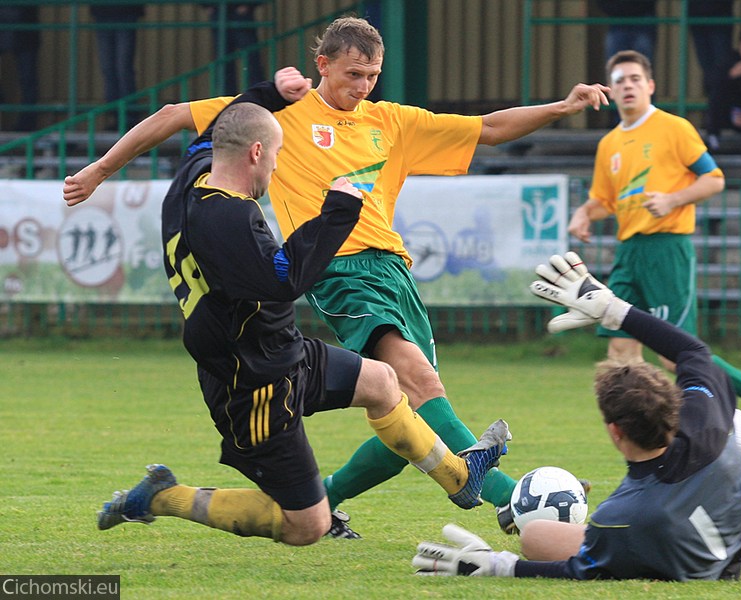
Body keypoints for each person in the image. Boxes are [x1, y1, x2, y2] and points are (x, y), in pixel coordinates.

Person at [62, 16, 612, 538]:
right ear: (322, 64)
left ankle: (328, 498)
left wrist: (563, 106)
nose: (364, 86)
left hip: (394, 270)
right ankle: (514, 501)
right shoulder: (281, 114)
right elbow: (173, 114)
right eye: (354, 74)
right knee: (421, 386)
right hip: (339, 272)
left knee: (409, 410)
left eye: (372, 76)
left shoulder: (390, 121)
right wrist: (98, 170)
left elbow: (489, 127)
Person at [89, 68, 510, 547]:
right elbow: (286, 279)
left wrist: (270, 93)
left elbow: (224, 123)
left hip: (281, 348)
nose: (276, 168)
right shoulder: (229, 218)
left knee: (384, 382)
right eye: (276, 156)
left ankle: (461, 478)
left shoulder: (194, 173)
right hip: (253, 382)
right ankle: (165, 497)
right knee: (305, 526)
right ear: (256, 153)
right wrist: (337, 212)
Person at [413, 252, 741, 580]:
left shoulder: (621, 516)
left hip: (680, 554)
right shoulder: (705, 416)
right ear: (672, 405)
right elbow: (693, 350)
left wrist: (500, 565)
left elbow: (582, 567)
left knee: (535, 534)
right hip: (732, 532)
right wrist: (613, 308)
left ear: (615, 432)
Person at [567, 50, 741, 431]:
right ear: (611, 92)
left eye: (635, 79)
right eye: (620, 80)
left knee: (673, 357)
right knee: (620, 349)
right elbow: (605, 201)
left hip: (667, 248)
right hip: (629, 253)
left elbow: (714, 178)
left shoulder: (673, 128)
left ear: (650, 86)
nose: (628, 86)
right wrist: (585, 212)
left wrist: (672, 199)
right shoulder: (609, 144)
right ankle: (638, 438)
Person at [90, 4, 146, 129]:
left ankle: (129, 117)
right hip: (103, 13)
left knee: (123, 68)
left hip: (125, 12)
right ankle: (116, 115)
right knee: (108, 68)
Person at [204, 1, 266, 95]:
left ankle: (257, 93)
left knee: (250, 57)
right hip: (219, 11)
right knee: (223, 59)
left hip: (242, 14)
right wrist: (207, 5)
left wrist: (248, 5)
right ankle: (226, 95)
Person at [0, 5, 40, 131]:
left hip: (26, 27)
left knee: (28, 80)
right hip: (23, 28)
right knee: (28, 80)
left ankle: (27, 124)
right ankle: (26, 123)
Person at [687, 0, 735, 100]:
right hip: (697, 18)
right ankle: (713, 106)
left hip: (720, 16)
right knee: (707, 68)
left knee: (722, 66)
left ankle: (718, 106)